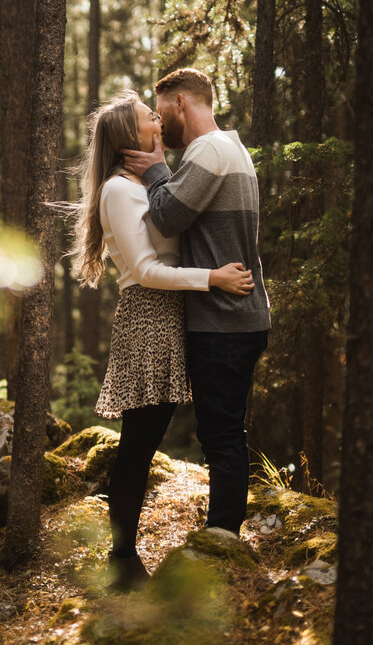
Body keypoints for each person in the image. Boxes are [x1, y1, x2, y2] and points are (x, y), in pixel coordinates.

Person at [67, 89, 254, 591]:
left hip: (171, 320)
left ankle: (124, 557)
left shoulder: (145, 185)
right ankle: (122, 560)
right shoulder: (118, 192)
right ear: (133, 135)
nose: (159, 118)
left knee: (144, 442)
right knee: (138, 445)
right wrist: (212, 278)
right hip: (148, 321)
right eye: (150, 115)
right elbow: (147, 271)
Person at [120, 67, 271, 545]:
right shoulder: (233, 149)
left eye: (161, 111)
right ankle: (223, 530)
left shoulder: (209, 150)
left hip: (223, 321)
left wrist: (155, 169)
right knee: (225, 430)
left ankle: (222, 537)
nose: (160, 125)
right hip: (239, 316)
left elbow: (167, 218)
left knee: (222, 435)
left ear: (181, 102)